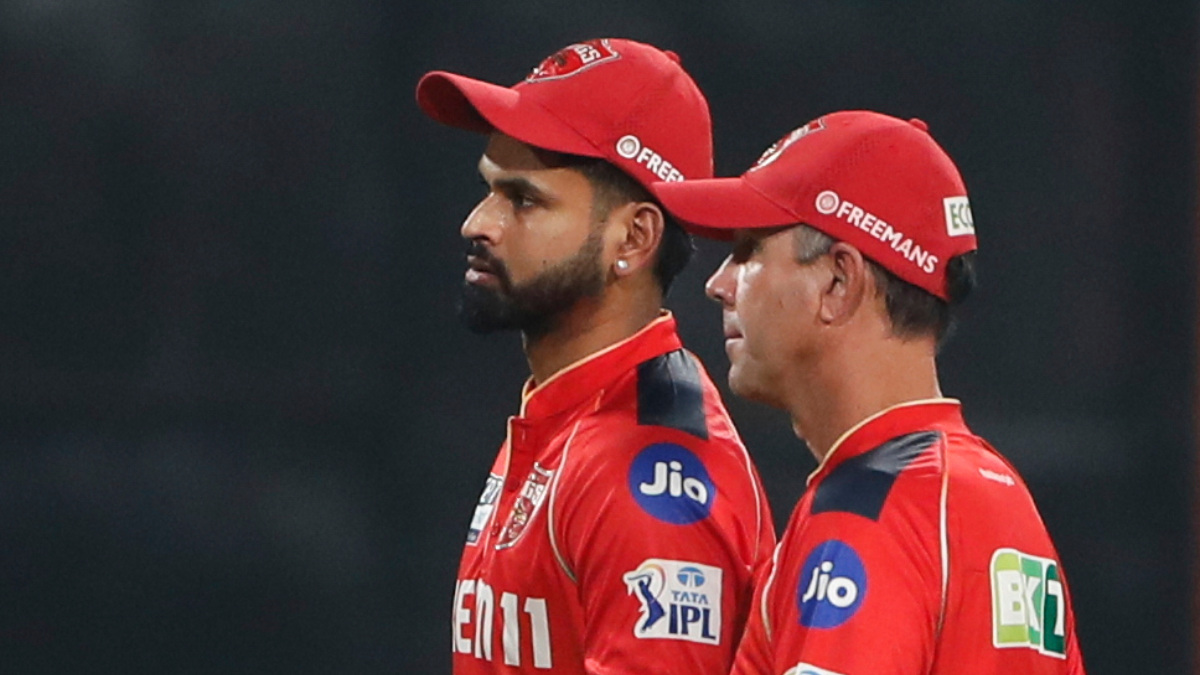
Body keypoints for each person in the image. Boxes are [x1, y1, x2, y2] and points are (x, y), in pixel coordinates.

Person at [651, 110, 1086, 674]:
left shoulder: (867, 511)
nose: (718, 285)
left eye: (750, 250)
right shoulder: (992, 492)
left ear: (838, 281)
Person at [415, 39, 775, 674]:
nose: (478, 223)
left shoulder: (650, 476)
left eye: (523, 200)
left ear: (633, 238)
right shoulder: (568, 414)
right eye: (487, 190)